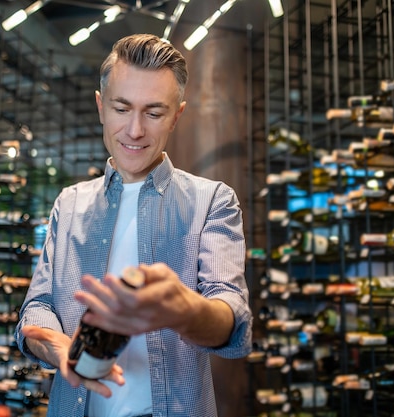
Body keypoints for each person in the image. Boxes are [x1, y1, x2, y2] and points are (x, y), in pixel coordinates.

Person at [14, 33, 252, 417]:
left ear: (177, 115)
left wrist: (184, 310)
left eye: (154, 113)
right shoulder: (69, 204)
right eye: (122, 109)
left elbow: (231, 318)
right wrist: (56, 346)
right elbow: (37, 307)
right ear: (100, 107)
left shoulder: (213, 200)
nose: (135, 130)